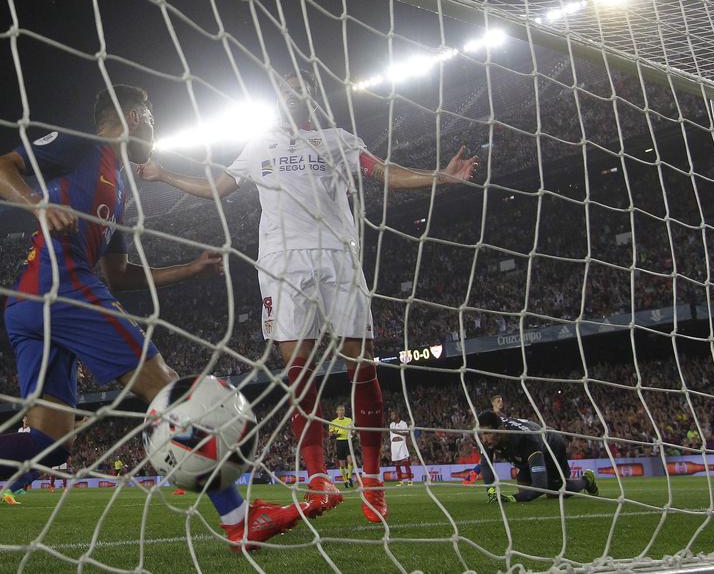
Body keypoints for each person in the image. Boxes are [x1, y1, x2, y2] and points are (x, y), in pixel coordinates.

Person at [0, 85, 309, 558]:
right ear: (133, 115)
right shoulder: (84, 145)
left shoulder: (119, 187)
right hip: (62, 288)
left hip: (32, 303)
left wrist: (190, 269)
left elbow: (119, 275)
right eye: (151, 114)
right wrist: (36, 203)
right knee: (167, 388)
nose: (154, 124)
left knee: (48, 443)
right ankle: (240, 519)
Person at [140, 71, 478, 523]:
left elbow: (385, 175)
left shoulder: (339, 139)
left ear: (310, 95)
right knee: (298, 373)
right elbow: (216, 188)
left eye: (299, 84)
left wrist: (441, 175)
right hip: (282, 264)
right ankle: (319, 479)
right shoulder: (258, 145)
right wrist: (163, 174)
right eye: (282, 84)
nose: (291, 89)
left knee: (363, 363)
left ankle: (373, 480)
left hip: (338, 257)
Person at [476, 410, 598, 503]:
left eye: (487, 433)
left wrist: (510, 498)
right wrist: (492, 493)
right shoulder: (492, 436)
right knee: (524, 492)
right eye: (482, 433)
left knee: (554, 492)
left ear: (501, 429)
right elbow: (485, 464)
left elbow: (540, 486)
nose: (484, 439)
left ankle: (586, 480)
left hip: (551, 447)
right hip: (525, 455)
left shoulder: (527, 440)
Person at [328, 405, 356, 488]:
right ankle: (345, 480)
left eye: (342, 410)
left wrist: (353, 433)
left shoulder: (349, 420)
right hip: (339, 442)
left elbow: (353, 430)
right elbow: (330, 435)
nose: (341, 412)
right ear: (337, 412)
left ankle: (349, 477)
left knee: (350, 461)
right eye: (339, 410)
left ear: (344, 411)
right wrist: (335, 434)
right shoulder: (333, 422)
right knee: (342, 464)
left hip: (348, 441)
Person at [388, 409, 412, 486]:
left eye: (393, 415)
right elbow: (391, 435)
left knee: (405, 462)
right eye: (391, 415)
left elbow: (407, 433)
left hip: (401, 444)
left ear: (397, 415)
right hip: (394, 445)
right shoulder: (391, 424)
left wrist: (397, 432)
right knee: (397, 463)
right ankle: (400, 482)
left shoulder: (403, 423)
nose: (391, 416)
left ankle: (410, 481)